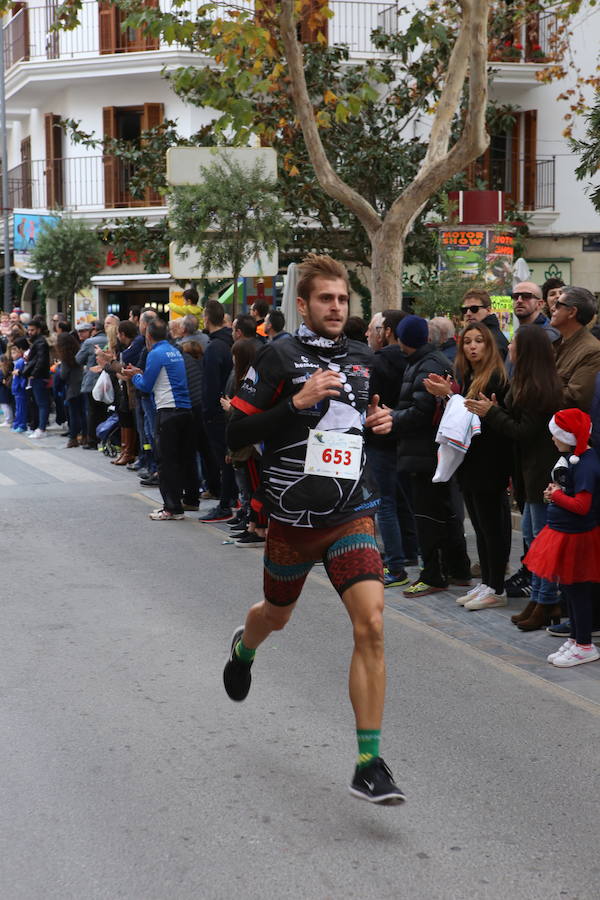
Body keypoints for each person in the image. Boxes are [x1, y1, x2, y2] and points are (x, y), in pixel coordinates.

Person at [223, 253, 405, 805]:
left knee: (371, 624)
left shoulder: (364, 357)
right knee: (275, 616)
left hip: (351, 512)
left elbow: (365, 427)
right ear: (302, 304)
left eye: (343, 299)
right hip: (293, 521)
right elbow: (234, 432)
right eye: (325, 299)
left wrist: (383, 424)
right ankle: (243, 648)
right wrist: (295, 403)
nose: (335, 307)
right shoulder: (276, 357)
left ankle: (368, 762)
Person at [466, 325, 564, 627]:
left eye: (514, 344)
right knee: (534, 542)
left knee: (541, 543)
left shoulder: (539, 387)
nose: (508, 347)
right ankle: (539, 599)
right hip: (528, 473)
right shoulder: (525, 381)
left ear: (526, 351)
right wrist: (496, 410)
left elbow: (523, 431)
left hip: (539, 474)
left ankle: (547, 602)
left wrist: (492, 413)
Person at [374, 314, 471, 598]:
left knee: (428, 516)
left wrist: (393, 417)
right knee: (445, 513)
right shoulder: (428, 360)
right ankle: (458, 570)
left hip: (425, 453)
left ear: (404, 339)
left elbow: (421, 411)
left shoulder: (427, 365)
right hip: (431, 452)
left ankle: (433, 575)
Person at [426, 322, 512, 609]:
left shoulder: (496, 377)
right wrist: (449, 394)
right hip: (471, 461)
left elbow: (487, 418)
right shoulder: (471, 375)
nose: (473, 346)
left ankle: (496, 587)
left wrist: (453, 397)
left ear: (489, 346)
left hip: (490, 462)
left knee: (492, 527)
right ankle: (487, 582)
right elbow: (465, 412)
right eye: (468, 342)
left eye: (479, 341)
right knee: (479, 525)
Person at [524, 409, 600, 667]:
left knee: (578, 593)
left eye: (555, 435)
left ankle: (585, 645)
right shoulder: (574, 458)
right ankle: (576, 638)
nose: (552, 439)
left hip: (577, 537)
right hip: (565, 532)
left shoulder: (587, 464)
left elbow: (582, 506)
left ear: (567, 436)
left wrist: (556, 496)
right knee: (569, 590)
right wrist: (554, 493)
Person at [123, 319, 195, 521]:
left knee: (166, 461)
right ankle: (181, 503)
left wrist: (134, 377)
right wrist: (140, 374)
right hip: (185, 409)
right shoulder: (174, 351)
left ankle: (171, 508)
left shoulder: (155, 353)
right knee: (181, 459)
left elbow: (146, 386)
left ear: (148, 336)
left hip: (168, 412)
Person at [367, 308, 418, 586]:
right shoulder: (415, 359)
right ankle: (408, 552)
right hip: (405, 436)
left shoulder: (377, 362)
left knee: (385, 502)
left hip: (381, 437)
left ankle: (396, 565)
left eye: (375, 330)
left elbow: (368, 399)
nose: (371, 335)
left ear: (386, 332)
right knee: (401, 499)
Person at [200, 300, 236, 522]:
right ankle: (230, 498)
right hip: (230, 407)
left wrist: (208, 411)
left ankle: (225, 503)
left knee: (224, 459)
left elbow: (210, 384)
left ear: (206, 318)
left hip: (218, 411)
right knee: (229, 458)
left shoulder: (214, 347)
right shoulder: (230, 342)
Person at [551, 286, 600, 412]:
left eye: (558, 305)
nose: (552, 309)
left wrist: (533, 392)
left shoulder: (592, 351)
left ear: (572, 312)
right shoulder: (555, 343)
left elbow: (575, 398)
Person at [76, 320, 107, 449]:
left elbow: (78, 359)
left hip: (92, 381)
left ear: (93, 330)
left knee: (92, 412)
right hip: (108, 381)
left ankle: (92, 440)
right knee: (105, 411)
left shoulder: (89, 342)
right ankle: (106, 440)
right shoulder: (110, 339)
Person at [22, 315, 51, 439]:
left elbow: (41, 360)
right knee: (39, 403)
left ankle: (41, 428)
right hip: (37, 376)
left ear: (38, 330)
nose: (30, 332)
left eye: (32, 330)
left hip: (39, 377)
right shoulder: (38, 342)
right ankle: (39, 427)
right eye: (29, 330)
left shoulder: (40, 342)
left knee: (42, 403)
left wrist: (34, 374)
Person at [460, 288, 508, 359]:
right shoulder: (484, 334)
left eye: (474, 309)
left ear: (488, 310)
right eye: (464, 310)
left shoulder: (492, 340)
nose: (468, 313)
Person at [56, 333, 84, 448]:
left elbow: (63, 375)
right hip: (82, 386)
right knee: (82, 413)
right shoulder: (79, 352)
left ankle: (73, 438)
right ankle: (84, 436)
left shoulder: (65, 358)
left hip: (72, 388)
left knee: (73, 414)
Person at [9, 340, 28, 432]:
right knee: (18, 408)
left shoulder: (20, 362)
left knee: (21, 408)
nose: (12, 355)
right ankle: (17, 423)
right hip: (16, 389)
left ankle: (22, 424)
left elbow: (22, 377)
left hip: (20, 389)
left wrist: (20, 387)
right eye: (11, 353)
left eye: (14, 352)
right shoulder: (16, 363)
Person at [0, 354, 13, 426]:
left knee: (5, 405)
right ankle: (9, 419)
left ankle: (8, 420)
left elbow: (2, 381)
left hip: (3, 390)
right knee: (8, 405)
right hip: (6, 389)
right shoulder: (7, 369)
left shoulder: (2, 371)